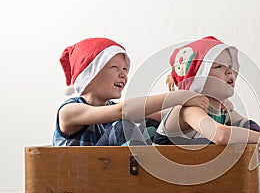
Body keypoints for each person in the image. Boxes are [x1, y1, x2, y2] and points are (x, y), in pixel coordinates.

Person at [52, 37, 208, 146]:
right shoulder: (69, 111)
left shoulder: (110, 108)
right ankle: (147, 177)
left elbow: (164, 115)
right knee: (121, 127)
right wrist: (177, 97)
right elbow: (124, 111)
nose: (123, 74)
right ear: (90, 75)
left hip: (107, 170)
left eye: (125, 69)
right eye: (115, 68)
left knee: (150, 124)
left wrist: (192, 96)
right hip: (82, 174)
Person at [153, 36, 260, 165]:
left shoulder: (221, 109)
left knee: (248, 127)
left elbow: (248, 126)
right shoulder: (189, 109)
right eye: (218, 66)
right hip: (162, 173)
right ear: (197, 78)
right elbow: (221, 135)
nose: (229, 71)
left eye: (230, 66)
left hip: (191, 173)